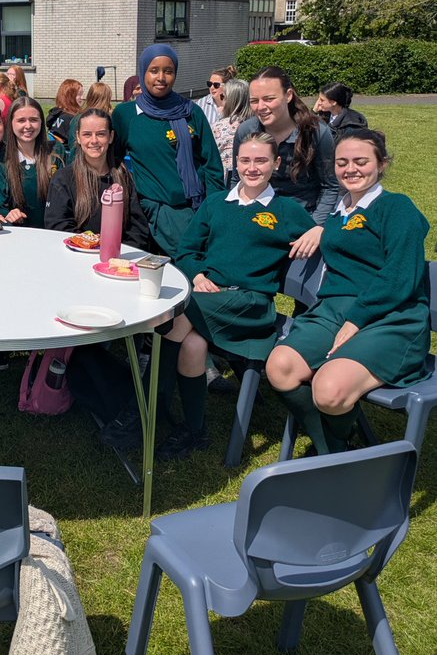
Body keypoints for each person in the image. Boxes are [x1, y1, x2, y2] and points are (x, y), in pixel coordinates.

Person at [266, 128, 431, 454]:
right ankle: (336, 447)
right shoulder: (339, 212)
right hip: (334, 312)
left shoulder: (397, 208)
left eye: (361, 161)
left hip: (390, 317)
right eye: (342, 162)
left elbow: (399, 277)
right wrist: (318, 228)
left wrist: (356, 319)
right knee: (280, 367)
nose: (351, 169)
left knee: (328, 390)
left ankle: (334, 451)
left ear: (382, 164)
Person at [155, 133, 316, 459]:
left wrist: (322, 229)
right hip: (209, 298)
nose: (252, 168)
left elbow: (332, 242)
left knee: (177, 315)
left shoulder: (286, 210)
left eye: (261, 160)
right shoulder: (217, 203)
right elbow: (187, 251)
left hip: (250, 305)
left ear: (276, 163)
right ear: (235, 162)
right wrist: (197, 275)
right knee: (192, 343)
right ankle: (194, 430)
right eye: (245, 160)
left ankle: (143, 407)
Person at [112, 44, 225, 255]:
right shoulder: (125, 115)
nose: (161, 77)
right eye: (154, 70)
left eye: (168, 71)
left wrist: (214, 212)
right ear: (143, 71)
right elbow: (111, 161)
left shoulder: (192, 112)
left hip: (193, 211)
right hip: (148, 213)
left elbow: (212, 166)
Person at [232, 66, 340, 259]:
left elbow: (331, 186)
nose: (261, 107)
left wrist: (316, 227)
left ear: (288, 95)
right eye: (254, 101)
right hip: (257, 219)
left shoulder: (317, 133)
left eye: (269, 99)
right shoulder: (245, 132)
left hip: (303, 221)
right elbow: (235, 181)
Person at [45, 108, 151, 248]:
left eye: (101, 134)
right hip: (77, 256)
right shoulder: (64, 179)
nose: (94, 141)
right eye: (87, 134)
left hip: (119, 259)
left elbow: (137, 229)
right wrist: (92, 247)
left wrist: (119, 254)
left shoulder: (125, 177)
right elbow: (58, 226)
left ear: (111, 136)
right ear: (78, 137)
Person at [0, 96, 63, 228]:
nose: (28, 126)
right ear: (11, 123)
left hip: (53, 234)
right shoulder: (1, 163)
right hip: (18, 237)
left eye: (34, 120)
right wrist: (9, 214)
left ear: (41, 122)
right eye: (21, 120)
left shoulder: (56, 153)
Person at [211, 78, 251, 181]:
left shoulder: (219, 127)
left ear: (231, 100)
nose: (221, 99)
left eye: (223, 96)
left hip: (225, 181)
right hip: (251, 177)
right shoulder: (256, 125)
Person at [46, 79, 84, 146]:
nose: (82, 98)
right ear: (70, 97)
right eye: (79, 95)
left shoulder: (56, 113)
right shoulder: (69, 118)